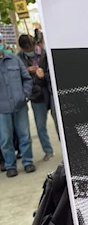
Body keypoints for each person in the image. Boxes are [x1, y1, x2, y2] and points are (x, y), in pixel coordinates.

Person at [0, 34, 35, 177]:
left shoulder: (14, 59)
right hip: (2, 110)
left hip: (19, 106)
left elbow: (27, 79)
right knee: (5, 139)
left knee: (24, 135)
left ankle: (28, 162)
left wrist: (25, 95)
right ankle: (10, 165)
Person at [17, 35, 54, 161]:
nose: (29, 51)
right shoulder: (19, 58)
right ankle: (48, 150)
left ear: (34, 44)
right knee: (40, 126)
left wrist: (42, 74)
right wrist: (27, 70)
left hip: (49, 92)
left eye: (30, 48)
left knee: (60, 123)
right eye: (26, 50)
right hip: (35, 95)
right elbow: (19, 75)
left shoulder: (44, 53)